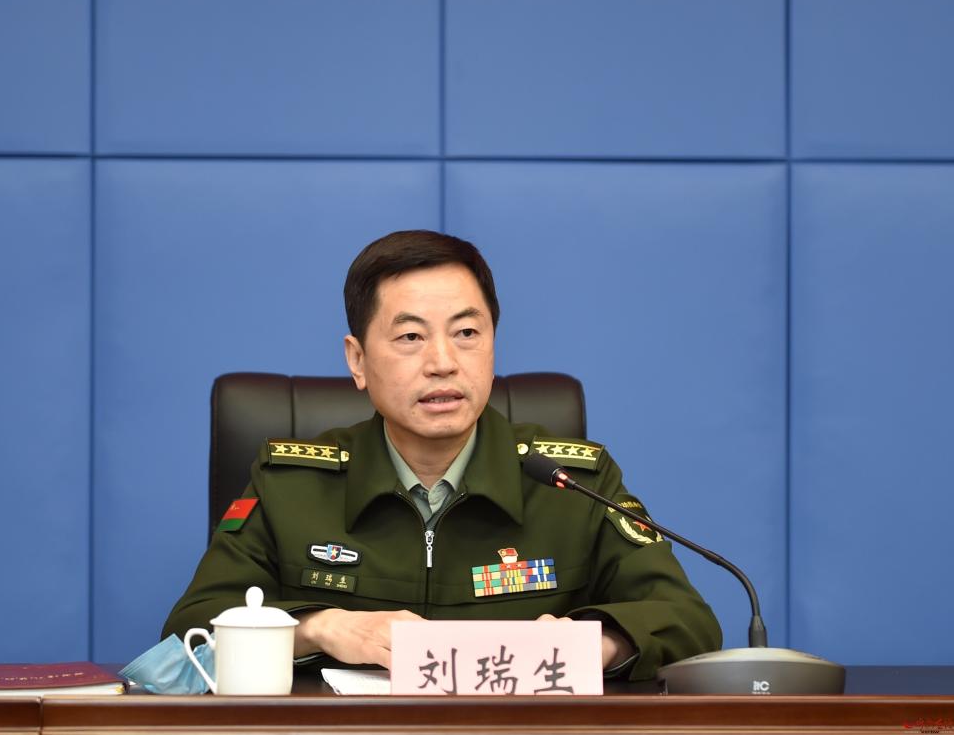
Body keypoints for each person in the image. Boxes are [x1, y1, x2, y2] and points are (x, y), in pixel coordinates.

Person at [162, 230, 721, 679]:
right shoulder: (290, 484)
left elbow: (688, 622)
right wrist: (319, 628)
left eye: (467, 333)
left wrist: (594, 643)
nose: (443, 363)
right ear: (357, 360)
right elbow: (190, 630)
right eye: (410, 337)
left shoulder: (571, 482)